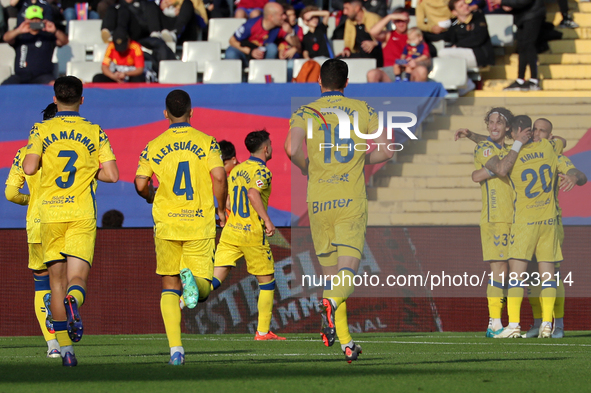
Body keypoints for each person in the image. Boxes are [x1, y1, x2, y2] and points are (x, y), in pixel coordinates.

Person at [285, 59, 394, 362]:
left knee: (331, 277)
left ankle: (346, 343)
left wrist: (308, 166)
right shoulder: (364, 109)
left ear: (318, 81)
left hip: (318, 201)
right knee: (347, 274)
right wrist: (361, 161)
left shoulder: (304, 112)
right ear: (347, 83)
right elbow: (386, 148)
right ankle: (330, 304)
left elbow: (291, 148)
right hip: (350, 199)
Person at [22, 76, 119, 366]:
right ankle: (74, 302)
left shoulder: (41, 128)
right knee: (77, 280)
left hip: (50, 213)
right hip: (81, 214)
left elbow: (29, 167)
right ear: (82, 99)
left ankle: (66, 353)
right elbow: (112, 175)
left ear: (55, 98)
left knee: (56, 282)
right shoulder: (94, 131)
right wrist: (87, 171)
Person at [134, 89, 227, 365]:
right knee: (204, 290)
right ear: (191, 112)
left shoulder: (153, 145)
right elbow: (219, 176)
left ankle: (176, 350)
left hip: (167, 223)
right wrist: (221, 209)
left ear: (165, 114)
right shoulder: (207, 142)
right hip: (199, 221)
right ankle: (194, 284)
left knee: (168, 286)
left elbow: (140, 183)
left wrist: (151, 196)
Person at [476, 115, 586, 338]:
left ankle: (519, 325)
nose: (536, 134)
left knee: (523, 276)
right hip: (548, 223)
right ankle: (545, 324)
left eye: (542, 131)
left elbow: (497, 165)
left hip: (528, 223)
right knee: (546, 276)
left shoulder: (515, 155)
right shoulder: (551, 148)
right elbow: (575, 166)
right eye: (534, 130)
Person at [211, 130, 285, 341]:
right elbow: (253, 193)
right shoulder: (262, 171)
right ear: (266, 148)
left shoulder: (236, 170)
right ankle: (262, 332)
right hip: (251, 233)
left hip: (231, 231)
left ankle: (186, 298)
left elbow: (223, 194)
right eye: (270, 143)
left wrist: (223, 214)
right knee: (267, 281)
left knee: (216, 278)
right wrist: (268, 221)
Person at [4, 103, 60, 359]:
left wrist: (33, 200)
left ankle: (53, 346)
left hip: (37, 224)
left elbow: (10, 193)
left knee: (42, 285)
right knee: (70, 280)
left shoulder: (25, 152)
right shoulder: (74, 146)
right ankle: (69, 322)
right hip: (68, 221)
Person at [455, 107, 515, 337]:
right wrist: (500, 169)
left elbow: (494, 167)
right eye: (490, 122)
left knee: (517, 272)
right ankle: (494, 323)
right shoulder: (485, 148)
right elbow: (497, 166)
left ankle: (515, 322)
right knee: (499, 269)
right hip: (495, 217)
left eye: (499, 122)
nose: (493, 126)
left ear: (508, 127)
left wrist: (488, 171)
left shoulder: (510, 150)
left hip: (517, 218)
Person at [1, 5, 68, 85]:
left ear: (42, 20)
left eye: (37, 19)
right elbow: (6, 38)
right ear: (26, 19)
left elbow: (64, 41)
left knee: (54, 85)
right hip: (20, 76)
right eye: (32, 19)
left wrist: (55, 31)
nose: (35, 21)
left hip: (43, 76)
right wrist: (18, 30)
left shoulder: (47, 36)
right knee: (3, 88)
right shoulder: (20, 36)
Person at [489, 0, 545, 91]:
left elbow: (522, 2)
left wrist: (503, 2)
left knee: (529, 45)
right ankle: (520, 79)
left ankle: (534, 80)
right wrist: (506, 6)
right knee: (522, 47)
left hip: (533, 14)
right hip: (524, 16)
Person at [226, 2, 299, 68]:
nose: (284, 17)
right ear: (271, 17)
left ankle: (266, 74)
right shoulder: (251, 25)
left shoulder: (280, 27)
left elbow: (297, 45)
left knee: (272, 48)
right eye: (281, 15)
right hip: (246, 55)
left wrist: (291, 33)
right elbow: (232, 40)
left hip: (264, 58)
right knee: (231, 52)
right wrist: (250, 51)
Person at [438, 0, 495, 68]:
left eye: (464, 3)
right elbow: (448, 38)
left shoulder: (478, 16)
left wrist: (457, 45)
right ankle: (466, 79)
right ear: (455, 12)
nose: (465, 6)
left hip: (479, 54)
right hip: (463, 54)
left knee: (443, 53)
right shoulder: (455, 25)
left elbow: (478, 39)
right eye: (461, 6)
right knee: (447, 60)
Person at [366, 8, 412, 82]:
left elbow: (425, 55)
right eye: (398, 20)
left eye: (403, 21)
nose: (401, 24)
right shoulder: (388, 35)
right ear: (393, 21)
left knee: (420, 71)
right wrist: (390, 17)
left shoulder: (415, 36)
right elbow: (373, 32)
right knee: (372, 74)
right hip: (390, 72)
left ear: (408, 20)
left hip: (408, 70)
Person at [332, 0, 383, 66]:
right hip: (360, 53)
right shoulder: (349, 22)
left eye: (347, 9)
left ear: (357, 8)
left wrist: (374, 43)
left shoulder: (374, 18)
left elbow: (386, 38)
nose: (344, 12)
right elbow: (348, 40)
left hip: (375, 53)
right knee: (337, 60)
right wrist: (347, 49)